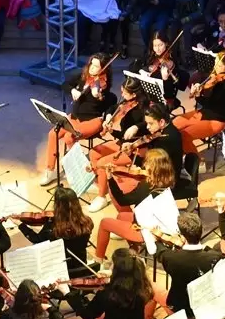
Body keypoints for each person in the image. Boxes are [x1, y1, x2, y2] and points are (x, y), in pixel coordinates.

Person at [37, 54, 115, 187]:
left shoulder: (103, 85)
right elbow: (64, 84)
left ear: (104, 70)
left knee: (69, 137)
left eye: (97, 66)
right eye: (92, 64)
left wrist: (98, 95)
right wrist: (72, 90)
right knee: (53, 134)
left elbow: (111, 102)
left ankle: (78, 170)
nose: (92, 68)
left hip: (92, 121)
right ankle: (50, 170)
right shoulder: (82, 76)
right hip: (74, 118)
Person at [94, 148, 176, 260]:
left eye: (147, 163)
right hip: (159, 223)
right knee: (121, 216)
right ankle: (135, 249)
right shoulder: (164, 181)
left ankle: (98, 259)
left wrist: (110, 178)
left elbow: (122, 200)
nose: (144, 165)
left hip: (148, 231)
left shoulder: (147, 187)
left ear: (154, 167)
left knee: (104, 223)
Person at [157, 212, 225, 319]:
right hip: (209, 307)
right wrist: (208, 248)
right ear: (201, 231)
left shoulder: (170, 258)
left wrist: (157, 240)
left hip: (180, 307)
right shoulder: (216, 257)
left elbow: (160, 253)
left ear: (182, 236)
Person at [16, 186, 94, 278]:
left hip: (60, 267)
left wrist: (20, 225)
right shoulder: (87, 222)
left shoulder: (53, 228)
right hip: (80, 263)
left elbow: (36, 239)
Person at [175, 49, 225, 151]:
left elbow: (209, 103)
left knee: (184, 135)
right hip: (204, 113)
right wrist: (197, 90)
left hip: (216, 120)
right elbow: (205, 103)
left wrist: (199, 94)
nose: (215, 66)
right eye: (215, 62)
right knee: (174, 125)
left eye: (219, 64)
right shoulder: (213, 78)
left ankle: (196, 161)